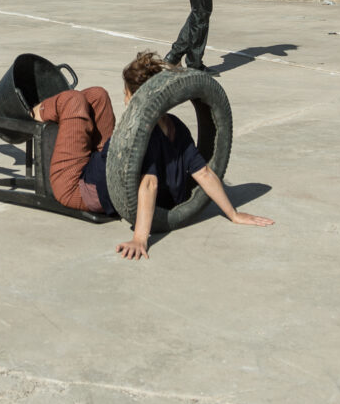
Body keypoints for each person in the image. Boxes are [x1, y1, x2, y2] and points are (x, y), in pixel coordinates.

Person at [37, 51, 270, 258]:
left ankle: (30, 111)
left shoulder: (142, 138)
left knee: (73, 100)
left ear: (134, 98)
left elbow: (149, 184)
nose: (124, 98)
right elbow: (205, 173)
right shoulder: (176, 126)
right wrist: (233, 214)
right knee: (97, 94)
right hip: (107, 169)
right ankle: (46, 111)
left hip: (79, 188)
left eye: (125, 93)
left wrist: (140, 238)